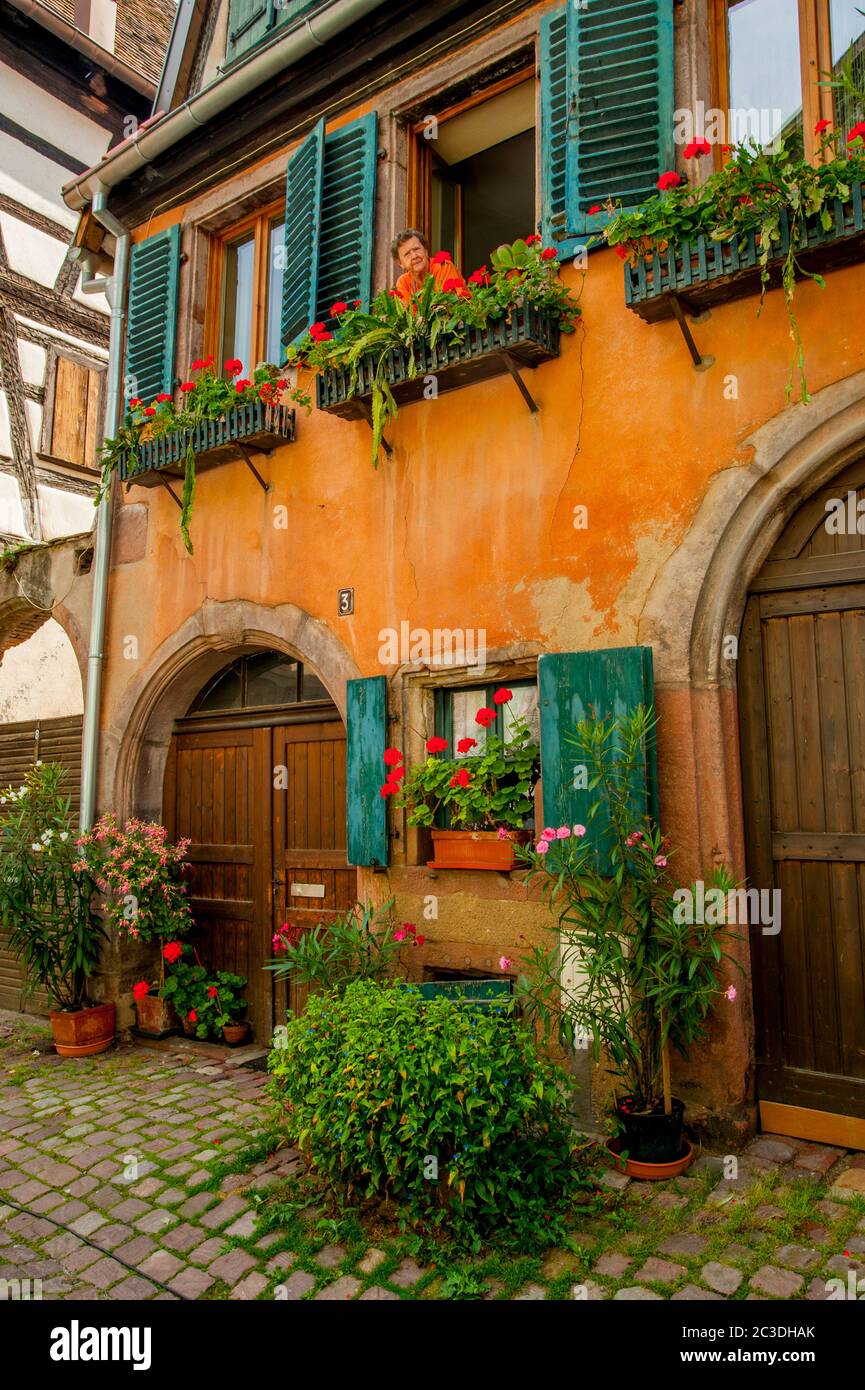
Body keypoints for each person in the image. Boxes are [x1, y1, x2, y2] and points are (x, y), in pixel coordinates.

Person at [391, 228, 462, 304]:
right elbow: (408, 312)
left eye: (417, 249)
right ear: (401, 263)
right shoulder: (403, 282)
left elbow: (450, 306)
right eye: (407, 254)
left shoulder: (443, 267)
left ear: (426, 250)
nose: (414, 256)